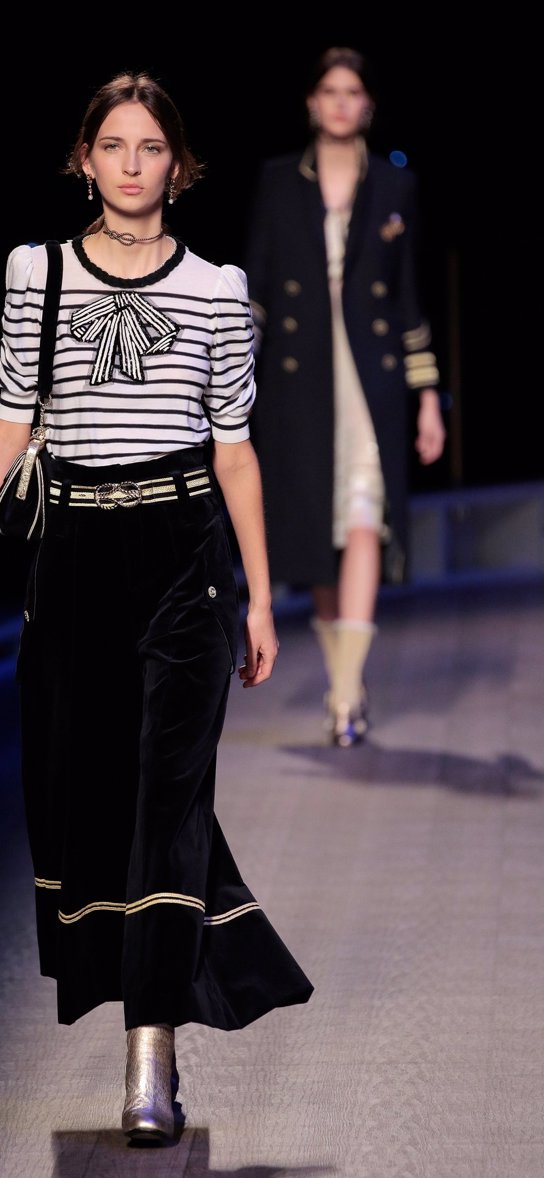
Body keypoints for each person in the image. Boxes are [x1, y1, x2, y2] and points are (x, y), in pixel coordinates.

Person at [0, 71, 313, 1144]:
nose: (130, 164)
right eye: (112, 145)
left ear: (179, 167)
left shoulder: (217, 290)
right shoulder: (37, 272)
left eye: (150, 147)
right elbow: (11, 419)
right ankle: (157, 1004)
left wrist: (258, 597)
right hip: (71, 562)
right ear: (83, 159)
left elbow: (234, 451)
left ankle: (148, 1054)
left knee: (170, 797)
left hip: (182, 558)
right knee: (94, 798)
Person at [244, 47, 447, 748]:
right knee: (317, 533)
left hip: (372, 380)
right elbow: (258, 289)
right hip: (298, 382)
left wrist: (427, 396)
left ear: (368, 105)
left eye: (352, 91)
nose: (339, 102)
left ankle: (346, 689)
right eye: (328, 90)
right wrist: (233, 374)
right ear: (311, 101)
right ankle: (344, 687)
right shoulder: (279, 181)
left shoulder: (395, 185)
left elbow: (408, 294)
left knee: (365, 514)